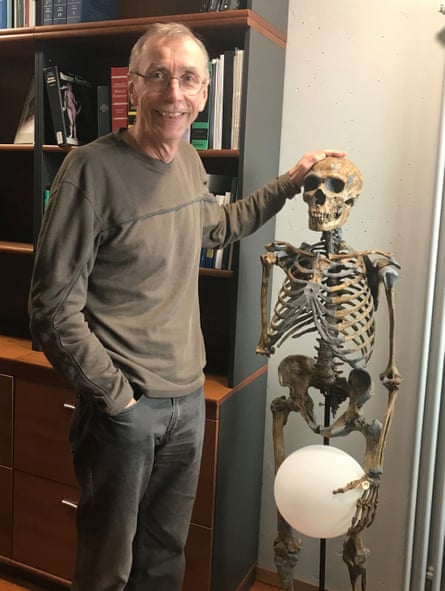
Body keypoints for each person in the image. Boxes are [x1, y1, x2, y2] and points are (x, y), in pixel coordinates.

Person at [29, 22, 346, 591]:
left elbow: (219, 226)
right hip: (125, 409)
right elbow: (52, 308)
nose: (174, 93)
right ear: (133, 87)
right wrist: (116, 398)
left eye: (188, 79)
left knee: (164, 556)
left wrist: (290, 183)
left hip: (187, 402)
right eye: (159, 76)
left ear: (203, 94)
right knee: (108, 568)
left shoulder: (189, 163)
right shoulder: (91, 171)